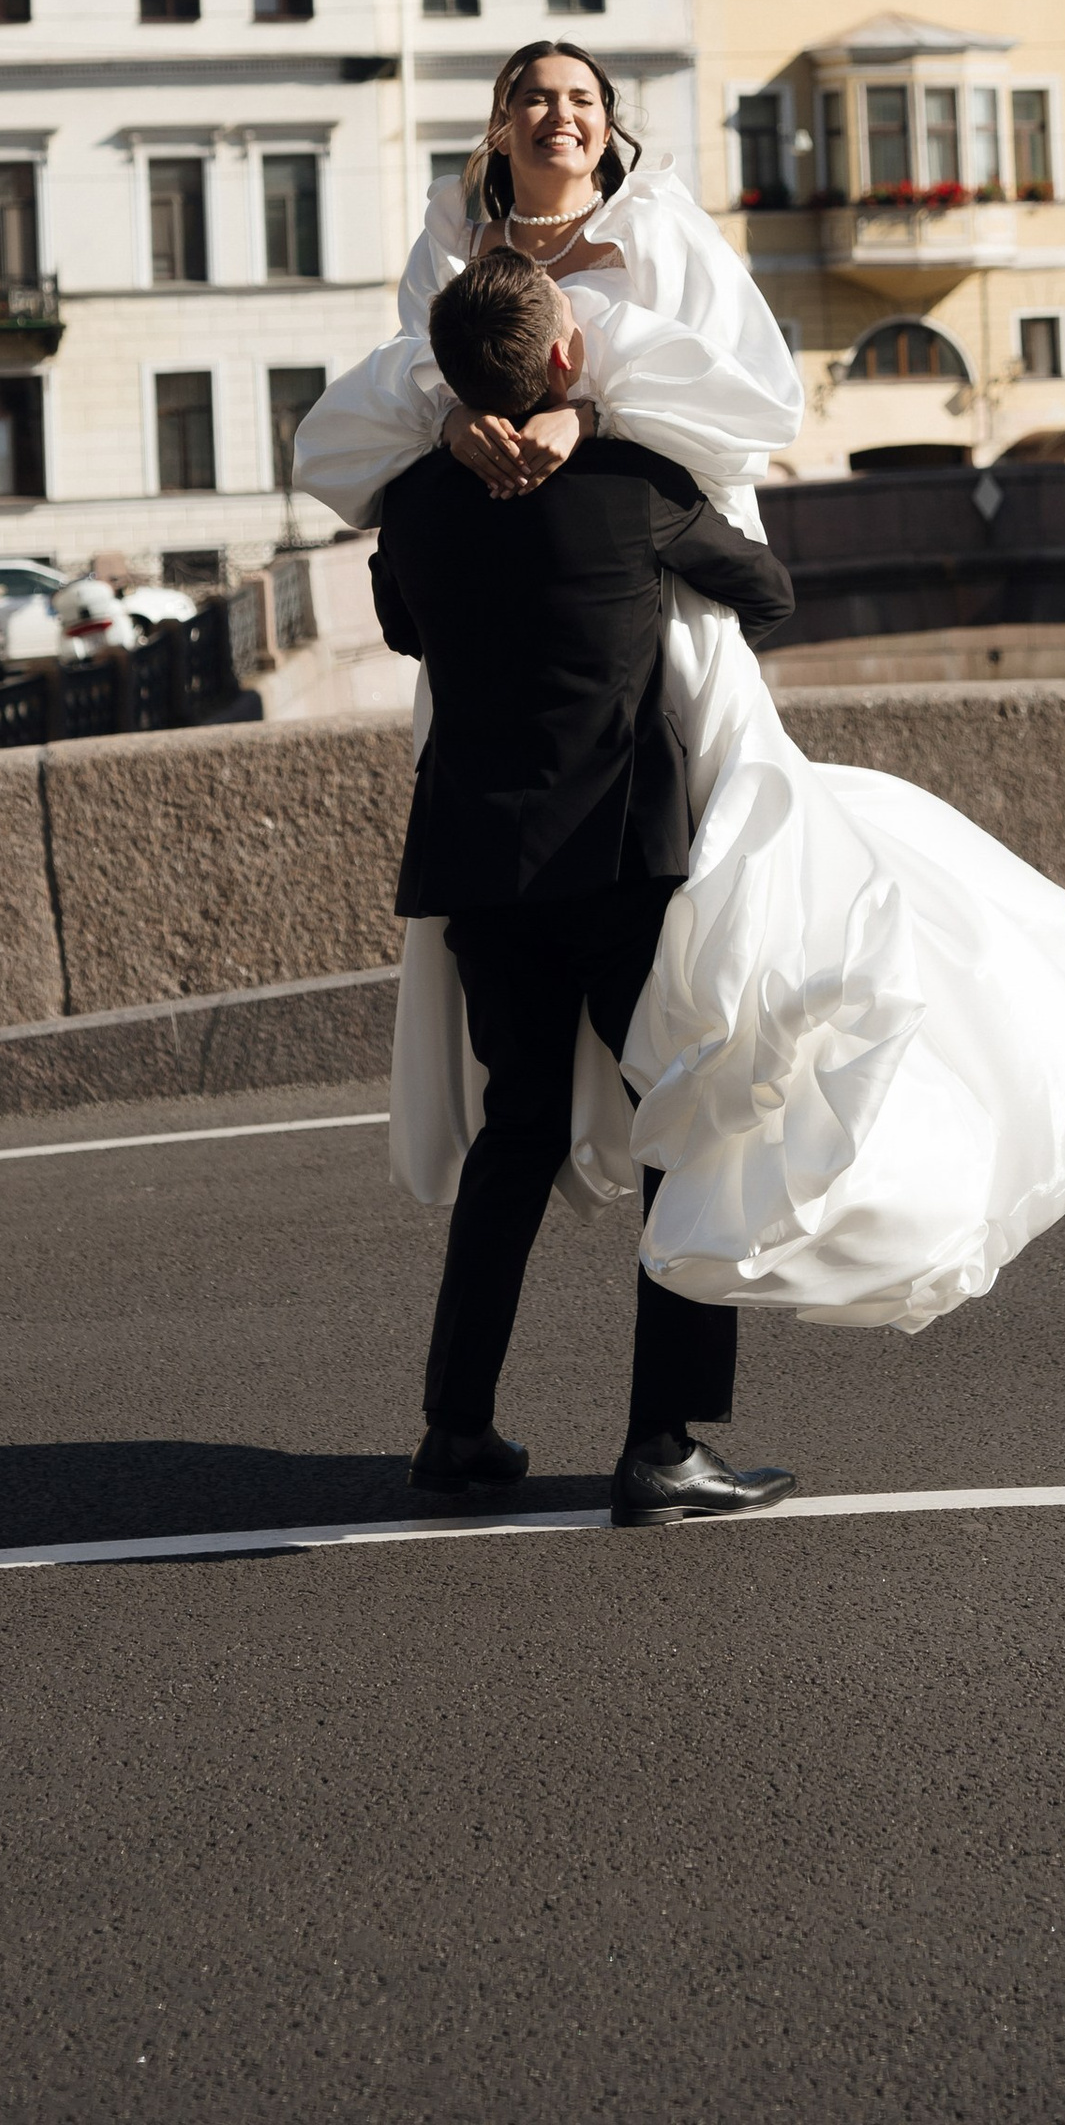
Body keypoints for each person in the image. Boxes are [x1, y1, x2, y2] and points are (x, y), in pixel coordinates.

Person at [294, 40, 1065, 1339]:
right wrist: (451, 414)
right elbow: (406, 385)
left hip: (625, 676)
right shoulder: (446, 248)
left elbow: (751, 405)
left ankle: (476, 1421)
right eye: (534, 99)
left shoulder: (665, 241)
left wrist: (586, 411)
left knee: (632, 1051)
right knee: (659, 1075)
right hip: (571, 717)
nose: (557, 116)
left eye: (581, 100)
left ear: (609, 129)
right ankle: (665, 1432)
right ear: (500, 127)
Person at [374, 245, 799, 1529]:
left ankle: (456, 1430)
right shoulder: (631, 482)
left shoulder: (416, 504)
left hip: (479, 867)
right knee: (684, 1124)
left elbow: (405, 627)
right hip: (619, 860)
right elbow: (767, 592)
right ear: (568, 360)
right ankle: (663, 1445)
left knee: (519, 1131)